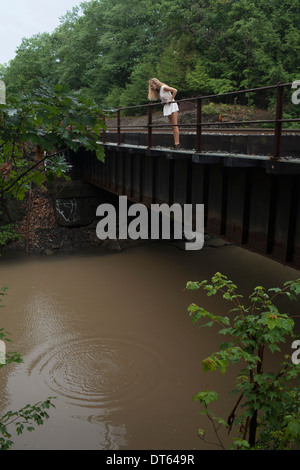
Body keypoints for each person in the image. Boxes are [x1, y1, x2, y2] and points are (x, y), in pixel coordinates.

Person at [148, 78, 180, 149]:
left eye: (152, 85)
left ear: (156, 83)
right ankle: (176, 144)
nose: (151, 87)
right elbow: (165, 97)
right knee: (172, 126)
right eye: (150, 86)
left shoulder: (163, 87)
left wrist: (171, 99)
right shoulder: (158, 91)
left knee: (175, 125)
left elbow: (175, 90)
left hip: (172, 105)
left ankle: (177, 144)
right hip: (167, 106)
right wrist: (164, 101)